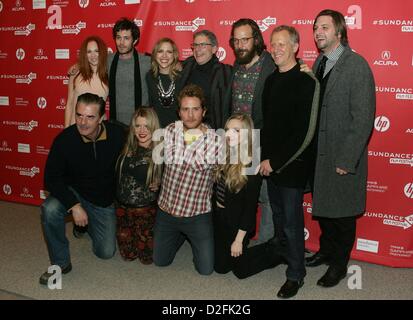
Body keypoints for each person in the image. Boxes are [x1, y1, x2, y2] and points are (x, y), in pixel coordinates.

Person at [304, 9, 376, 288]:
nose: (318, 32)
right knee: (324, 208)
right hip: (319, 153)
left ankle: (339, 264)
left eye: (324, 27)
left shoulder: (356, 65)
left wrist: (348, 158)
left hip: (341, 153)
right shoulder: (319, 63)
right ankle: (326, 250)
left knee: (343, 215)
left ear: (339, 32)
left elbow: (364, 117)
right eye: (315, 28)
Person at [39, 93, 125, 285]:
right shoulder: (64, 139)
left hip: (102, 200)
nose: (83, 122)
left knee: (105, 252)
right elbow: (50, 179)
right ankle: (61, 263)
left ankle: (85, 226)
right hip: (74, 193)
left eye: (90, 117)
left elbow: (138, 150)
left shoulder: (118, 134)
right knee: (50, 208)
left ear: (102, 118)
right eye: (79, 115)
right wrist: (74, 205)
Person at [260, 25, 320, 298]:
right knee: (280, 216)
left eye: (282, 44)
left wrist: (277, 162)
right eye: (273, 44)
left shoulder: (306, 82)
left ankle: (296, 275)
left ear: (296, 47)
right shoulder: (271, 80)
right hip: (271, 165)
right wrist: (265, 160)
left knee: (292, 223)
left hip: (292, 166)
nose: (276, 48)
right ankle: (285, 257)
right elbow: (268, 126)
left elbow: (303, 133)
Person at [153, 84, 222, 275]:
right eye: (185, 109)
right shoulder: (168, 132)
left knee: (206, 270)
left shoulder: (216, 141)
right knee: (160, 261)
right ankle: (178, 236)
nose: (190, 115)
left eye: (195, 109)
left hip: (197, 215)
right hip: (167, 212)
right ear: (179, 112)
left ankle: (188, 236)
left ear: (204, 111)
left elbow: (225, 176)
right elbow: (157, 163)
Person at [227, 18, 276, 244]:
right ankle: (241, 238)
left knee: (265, 196)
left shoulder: (272, 64)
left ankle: (265, 244)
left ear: (256, 39)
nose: (240, 45)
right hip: (237, 141)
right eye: (236, 41)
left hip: (261, 139)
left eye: (245, 39)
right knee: (239, 193)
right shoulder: (236, 66)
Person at [115, 107, 162, 264]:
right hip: (122, 210)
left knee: (147, 258)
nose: (142, 130)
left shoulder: (160, 152)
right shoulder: (126, 146)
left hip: (145, 212)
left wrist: (160, 181)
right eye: (138, 126)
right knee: (127, 256)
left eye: (146, 126)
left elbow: (171, 178)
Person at [180, 30, 232, 129]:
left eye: (203, 45)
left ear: (214, 49)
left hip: (214, 131)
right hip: (186, 130)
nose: (197, 49)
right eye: (195, 45)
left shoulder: (226, 73)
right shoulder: (185, 67)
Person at [108, 17, 151, 126]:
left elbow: (169, 62)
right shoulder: (108, 60)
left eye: (126, 38)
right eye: (118, 38)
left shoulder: (147, 61)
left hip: (141, 125)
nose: (121, 43)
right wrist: (77, 66)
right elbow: (89, 64)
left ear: (135, 40)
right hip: (114, 124)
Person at [65, 36, 109, 128]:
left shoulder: (109, 74)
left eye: (96, 51)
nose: (93, 55)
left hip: (99, 129)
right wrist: (66, 128)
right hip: (76, 127)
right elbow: (69, 103)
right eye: (89, 52)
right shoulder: (75, 73)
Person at [146, 38, 181, 127]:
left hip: (178, 131)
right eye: (160, 51)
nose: (164, 55)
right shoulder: (150, 77)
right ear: (155, 54)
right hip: (156, 130)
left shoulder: (182, 77)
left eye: (169, 52)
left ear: (174, 55)